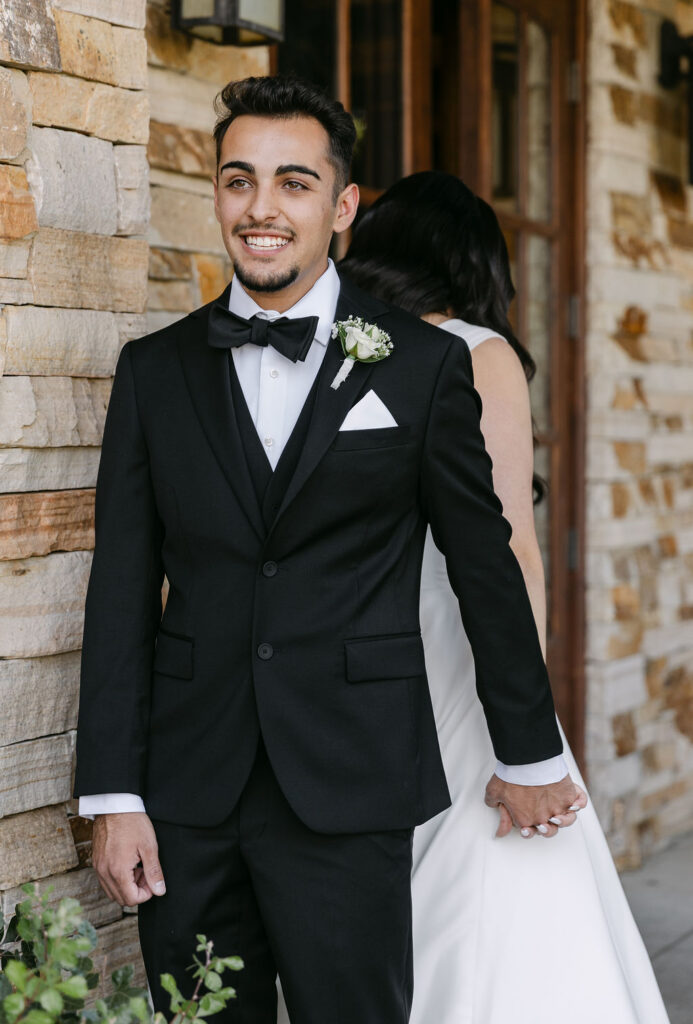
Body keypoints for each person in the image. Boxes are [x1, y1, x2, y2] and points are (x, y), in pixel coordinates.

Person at [74, 79, 585, 1024]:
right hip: (187, 793)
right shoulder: (154, 372)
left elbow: (485, 566)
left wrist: (527, 753)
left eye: (293, 183)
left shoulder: (424, 366)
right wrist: (114, 794)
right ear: (216, 195)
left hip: (351, 783)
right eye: (239, 180)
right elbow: (119, 586)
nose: (261, 208)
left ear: (342, 207)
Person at [330, 170, 671, 1023]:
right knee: (492, 870)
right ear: (478, 266)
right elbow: (510, 544)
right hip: (455, 647)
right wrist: (529, 723)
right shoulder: (476, 352)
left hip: (341, 657)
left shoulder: (328, 346)